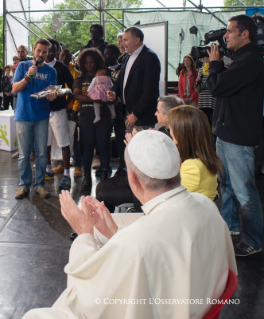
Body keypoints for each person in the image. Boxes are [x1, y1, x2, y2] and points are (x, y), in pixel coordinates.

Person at [22, 130, 237, 319]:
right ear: (178, 165)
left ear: (132, 179)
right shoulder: (207, 207)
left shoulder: (135, 242)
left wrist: (85, 234)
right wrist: (114, 232)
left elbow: (91, 302)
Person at [207, 14, 264, 256]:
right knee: (226, 185)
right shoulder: (241, 58)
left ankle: (254, 240)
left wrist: (215, 64)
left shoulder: (250, 60)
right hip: (226, 133)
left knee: (244, 191)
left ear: (245, 34)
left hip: (238, 137)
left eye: (230, 31)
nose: (225, 35)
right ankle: (230, 227)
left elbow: (217, 87)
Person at [96, 96, 184, 213]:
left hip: (149, 184)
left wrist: (133, 147)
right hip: (141, 175)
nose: (155, 114)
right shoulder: (163, 131)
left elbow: (151, 168)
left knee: (103, 195)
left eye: (158, 111)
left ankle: (107, 225)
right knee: (101, 186)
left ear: (168, 116)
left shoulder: (173, 139)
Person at [12, 38, 57, 200]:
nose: (41, 54)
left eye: (45, 52)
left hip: (42, 117)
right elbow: (15, 89)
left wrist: (52, 96)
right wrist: (28, 77)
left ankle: (39, 185)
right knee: (24, 154)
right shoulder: (23, 66)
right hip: (23, 116)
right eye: (39, 51)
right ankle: (24, 185)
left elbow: (51, 94)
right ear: (33, 51)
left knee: (42, 154)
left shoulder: (52, 72)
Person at [73, 48, 112, 192]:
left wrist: (105, 98)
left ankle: (104, 177)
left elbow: (112, 94)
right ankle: (87, 177)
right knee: (88, 149)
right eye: (86, 62)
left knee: (103, 147)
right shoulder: (80, 78)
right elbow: (77, 96)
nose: (89, 65)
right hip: (86, 120)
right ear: (82, 63)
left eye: (92, 62)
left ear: (97, 62)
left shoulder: (105, 76)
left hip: (104, 119)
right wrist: (95, 98)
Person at [107, 26, 161, 132]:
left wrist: (135, 113)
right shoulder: (127, 57)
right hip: (127, 112)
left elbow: (150, 91)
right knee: (130, 146)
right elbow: (120, 81)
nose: (122, 44)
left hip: (142, 116)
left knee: (141, 147)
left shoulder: (150, 57)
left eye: (126, 40)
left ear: (137, 40)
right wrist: (114, 92)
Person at [167, 105, 221, 201]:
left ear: (182, 133)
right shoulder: (202, 159)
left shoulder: (192, 167)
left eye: (171, 129)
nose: (170, 133)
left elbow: (169, 200)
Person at [44, 38, 74, 190]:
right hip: (42, 112)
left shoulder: (62, 67)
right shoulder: (38, 67)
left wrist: (64, 99)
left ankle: (67, 174)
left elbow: (72, 87)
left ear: (57, 51)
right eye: (47, 50)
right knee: (46, 142)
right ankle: (48, 170)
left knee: (63, 142)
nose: (49, 53)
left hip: (58, 111)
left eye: (52, 50)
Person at [59, 48, 83, 178]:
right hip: (59, 109)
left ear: (70, 58)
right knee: (62, 138)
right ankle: (63, 165)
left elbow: (76, 95)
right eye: (62, 55)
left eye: (67, 56)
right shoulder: (57, 69)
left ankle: (78, 164)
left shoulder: (76, 73)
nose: (64, 58)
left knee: (73, 138)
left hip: (70, 110)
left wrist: (74, 109)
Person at [105, 43, 127, 175]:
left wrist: (117, 101)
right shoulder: (102, 70)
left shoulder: (122, 69)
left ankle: (123, 166)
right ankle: (105, 165)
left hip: (119, 110)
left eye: (107, 53)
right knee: (104, 140)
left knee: (121, 140)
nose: (104, 56)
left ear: (114, 55)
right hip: (104, 111)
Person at [195, 56, 215, 127]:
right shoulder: (201, 70)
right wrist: (197, 86)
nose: (205, 58)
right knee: (203, 122)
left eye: (207, 56)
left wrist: (202, 85)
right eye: (204, 57)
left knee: (211, 121)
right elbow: (198, 87)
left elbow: (213, 83)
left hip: (211, 99)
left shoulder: (213, 69)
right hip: (203, 100)